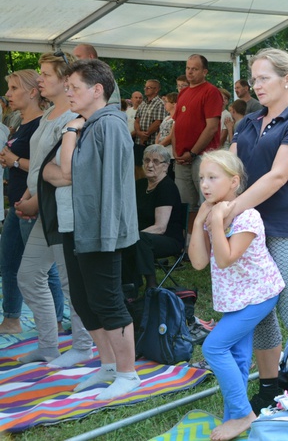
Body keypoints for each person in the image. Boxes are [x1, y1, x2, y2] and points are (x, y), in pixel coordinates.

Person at [229, 48, 288, 413]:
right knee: (261, 311)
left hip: (285, 228)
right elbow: (233, 172)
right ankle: (269, 387)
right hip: (250, 229)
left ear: (287, 80)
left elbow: (279, 175)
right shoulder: (246, 123)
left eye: (264, 77)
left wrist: (232, 208)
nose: (256, 84)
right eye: (254, 78)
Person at [59, 59, 140, 400]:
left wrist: (107, 234)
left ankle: (128, 374)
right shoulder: (91, 125)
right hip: (82, 228)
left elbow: (113, 185)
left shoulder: (110, 124)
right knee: (83, 299)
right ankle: (108, 366)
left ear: (97, 90)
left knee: (108, 301)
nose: (68, 93)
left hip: (102, 231)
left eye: (74, 87)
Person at [189, 150, 284, 441]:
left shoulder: (248, 217)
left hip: (258, 295)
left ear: (234, 181)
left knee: (214, 348)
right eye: (202, 178)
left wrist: (216, 223)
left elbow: (226, 258)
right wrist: (198, 223)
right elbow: (198, 262)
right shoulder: (211, 213)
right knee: (239, 357)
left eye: (212, 178)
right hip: (235, 298)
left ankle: (243, 414)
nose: (204, 184)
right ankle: (235, 417)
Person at [16, 53, 95, 366]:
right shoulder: (50, 113)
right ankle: (48, 345)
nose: (40, 79)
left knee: (69, 280)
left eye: (46, 74)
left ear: (65, 81)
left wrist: (35, 198)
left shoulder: (71, 119)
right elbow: (38, 163)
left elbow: (65, 169)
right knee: (28, 275)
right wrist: (28, 193)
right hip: (45, 207)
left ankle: (82, 346)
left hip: (63, 209)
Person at [0, 70, 63, 336]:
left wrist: (13, 160)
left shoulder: (41, 123)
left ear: (33, 92)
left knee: (42, 269)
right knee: (9, 261)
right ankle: (12, 317)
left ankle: (57, 321)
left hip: (33, 204)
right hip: (17, 201)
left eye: (14, 88)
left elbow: (43, 167)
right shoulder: (21, 122)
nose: (8, 94)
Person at [122, 144, 184, 289]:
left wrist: (132, 235)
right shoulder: (140, 185)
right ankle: (129, 286)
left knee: (138, 240)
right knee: (124, 239)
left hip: (168, 239)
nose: (150, 165)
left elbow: (160, 227)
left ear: (166, 166)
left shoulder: (167, 187)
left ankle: (151, 285)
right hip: (144, 237)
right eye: (146, 160)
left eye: (156, 161)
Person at [173, 54, 223, 211]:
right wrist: (176, 152)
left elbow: (211, 127)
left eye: (194, 69)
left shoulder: (211, 92)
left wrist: (193, 153)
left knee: (206, 204)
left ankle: (208, 235)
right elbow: (176, 124)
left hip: (202, 157)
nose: (190, 72)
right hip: (181, 159)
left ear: (205, 72)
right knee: (185, 206)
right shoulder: (183, 93)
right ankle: (190, 236)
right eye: (188, 68)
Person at [134, 80, 165, 147]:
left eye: (148, 88)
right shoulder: (143, 103)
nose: (145, 89)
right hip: (138, 141)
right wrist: (139, 133)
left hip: (151, 142)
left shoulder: (160, 104)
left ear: (156, 90)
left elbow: (158, 122)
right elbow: (137, 120)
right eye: (145, 87)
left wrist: (145, 135)